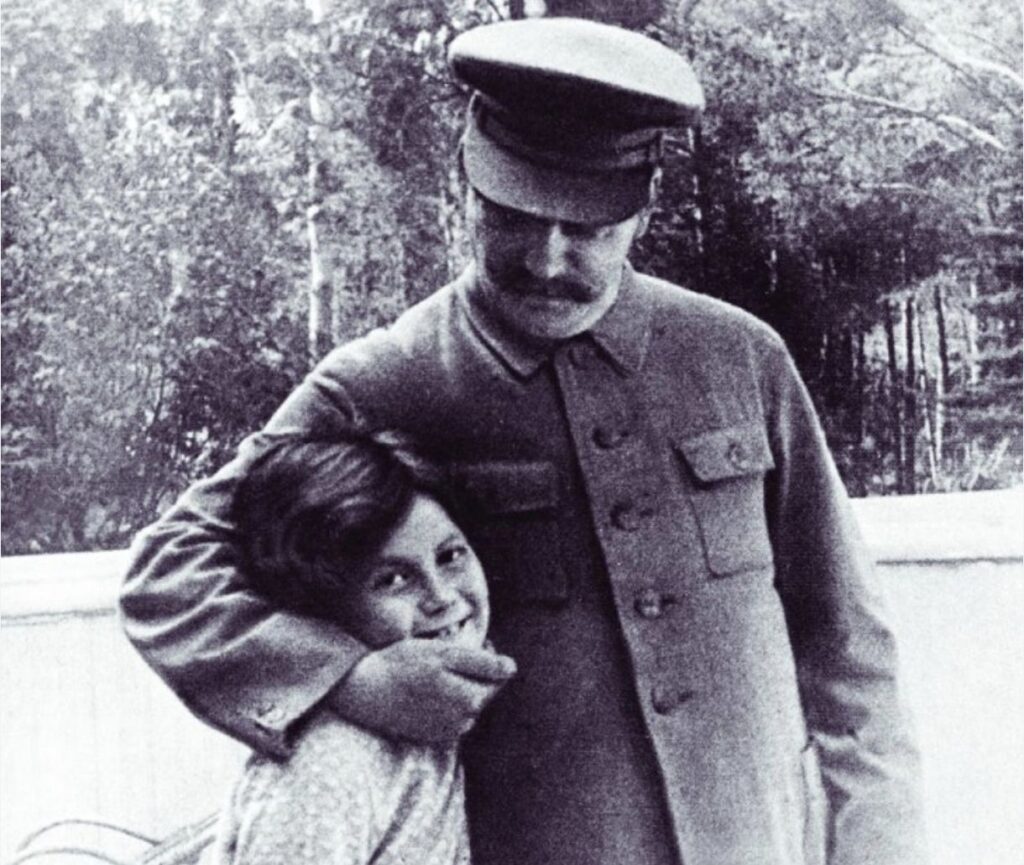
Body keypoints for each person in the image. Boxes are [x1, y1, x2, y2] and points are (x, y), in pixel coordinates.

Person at [121, 17, 927, 865]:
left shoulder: (740, 357)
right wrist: (350, 679)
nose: (545, 259)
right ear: (468, 182)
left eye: (586, 230)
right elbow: (168, 570)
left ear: (644, 208)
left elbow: (849, 647)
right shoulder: (386, 379)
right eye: (511, 217)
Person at [204, 433, 487, 864]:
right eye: (393, 580)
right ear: (324, 610)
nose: (442, 596)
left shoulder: (432, 714)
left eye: (450, 556)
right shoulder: (332, 760)